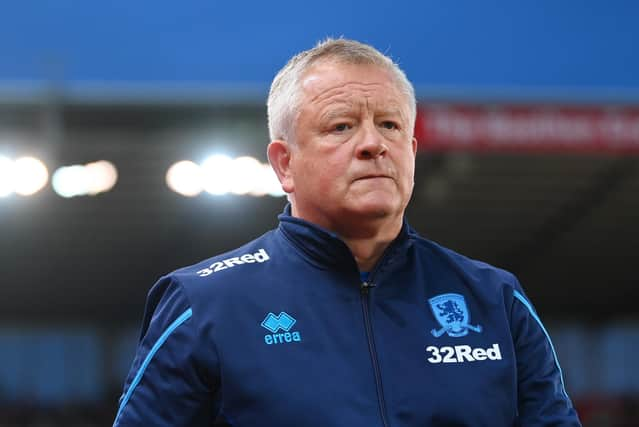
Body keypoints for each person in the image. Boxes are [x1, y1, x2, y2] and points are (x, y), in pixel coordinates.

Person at [113, 38, 582, 426]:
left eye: (390, 125)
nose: (374, 144)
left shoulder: (495, 299)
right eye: (341, 126)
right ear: (285, 163)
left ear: (412, 150)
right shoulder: (205, 304)